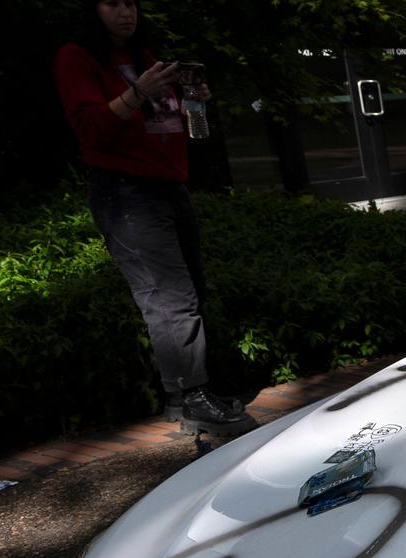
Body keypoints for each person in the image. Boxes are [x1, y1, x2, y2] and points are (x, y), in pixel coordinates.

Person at [52, 0, 251, 432]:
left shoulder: (144, 58)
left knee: (190, 287)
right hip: (125, 190)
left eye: (131, 3)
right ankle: (192, 397)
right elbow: (90, 129)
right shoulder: (77, 57)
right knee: (168, 295)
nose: (126, 12)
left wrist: (195, 101)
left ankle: (185, 396)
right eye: (111, 3)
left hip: (169, 183)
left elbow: (170, 123)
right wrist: (138, 91)